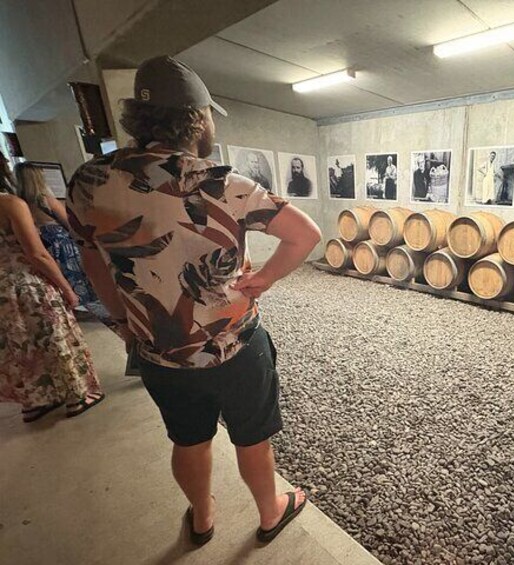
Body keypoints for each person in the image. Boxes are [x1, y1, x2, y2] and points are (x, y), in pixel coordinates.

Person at [66, 56, 321, 545]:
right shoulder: (224, 184)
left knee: (188, 439)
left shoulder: (88, 182)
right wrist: (264, 280)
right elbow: (305, 234)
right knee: (252, 437)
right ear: (197, 120)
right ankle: (270, 513)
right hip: (236, 343)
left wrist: (123, 322)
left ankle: (202, 518)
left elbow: (92, 260)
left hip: (160, 350)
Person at [0, 167, 104, 423]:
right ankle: (77, 396)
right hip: (25, 283)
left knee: (17, 345)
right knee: (54, 337)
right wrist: (66, 287)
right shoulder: (11, 204)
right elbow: (37, 254)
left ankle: (34, 402)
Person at [14, 162, 113, 327]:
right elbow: (70, 223)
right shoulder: (46, 200)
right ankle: (102, 312)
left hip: (45, 247)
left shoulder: (19, 204)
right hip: (63, 246)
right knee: (82, 278)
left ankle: (75, 308)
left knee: (65, 281)